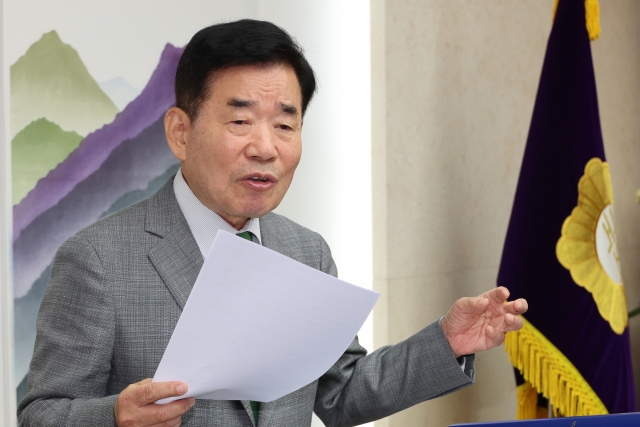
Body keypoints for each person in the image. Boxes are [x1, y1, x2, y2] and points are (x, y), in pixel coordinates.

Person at [17, 19, 527, 427]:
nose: (265, 147)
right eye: (240, 121)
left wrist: (447, 341)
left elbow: (342, 392)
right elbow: (42, 413)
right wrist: (114, 418)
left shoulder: (306, 251)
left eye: (285, 124)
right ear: (180, 132)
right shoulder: (97, 260)